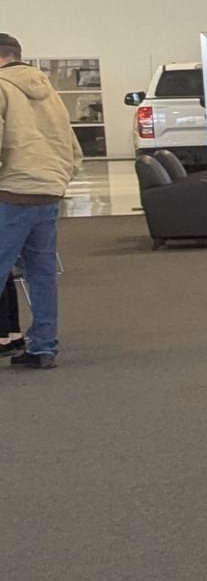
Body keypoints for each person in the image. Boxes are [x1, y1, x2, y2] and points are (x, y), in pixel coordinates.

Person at [0, 33, 83, 369]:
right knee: (42, 275)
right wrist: (58, 178)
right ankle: (43, 347)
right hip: (48, 193)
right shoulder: (51, 93)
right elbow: (73, 147)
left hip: (11, 193)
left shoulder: (1, 88)